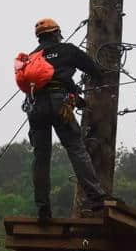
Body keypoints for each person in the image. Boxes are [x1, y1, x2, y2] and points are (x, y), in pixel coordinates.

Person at [25, 18, 114, 220]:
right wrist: (103, 75)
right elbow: (94, 70)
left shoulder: (32, 57)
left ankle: (43, 209)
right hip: (59, 105)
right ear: (56, 33)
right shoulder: (67, 50)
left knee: (41, 159)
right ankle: (97, 198)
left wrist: (75, 95)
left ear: (39, 38)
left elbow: (42, 83)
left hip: (36, 108)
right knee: (76, 148)